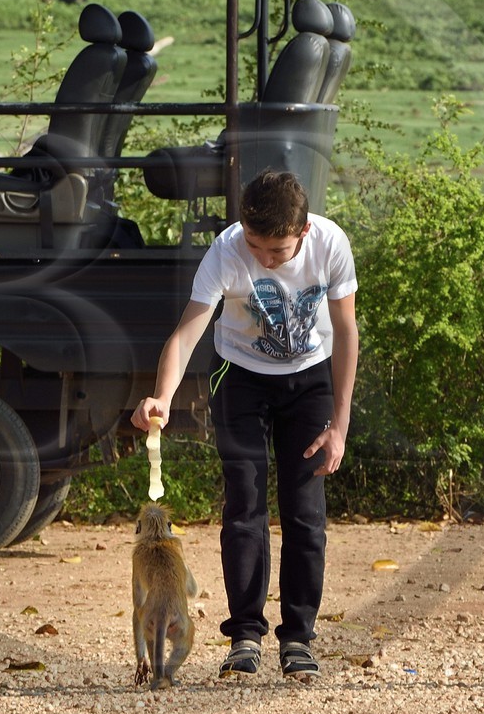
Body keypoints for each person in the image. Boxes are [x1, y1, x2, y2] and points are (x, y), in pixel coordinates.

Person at [132, 170, 358, 682]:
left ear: (302, 232)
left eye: (277, 251)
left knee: (305, 511)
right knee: (244, 506)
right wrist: (162, 396)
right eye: (255, 246)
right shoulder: (227, 249)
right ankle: (245, 636)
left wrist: (340, 425)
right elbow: (187, 332)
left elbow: (346, 332)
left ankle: (298, 637)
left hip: (311, 379)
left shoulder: (330, 244)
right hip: (240, 377)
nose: (264, 259)